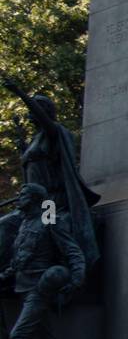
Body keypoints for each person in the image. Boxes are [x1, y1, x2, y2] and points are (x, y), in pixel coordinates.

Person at [1, 77, 99, 269]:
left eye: (36, 107)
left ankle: (54, 274)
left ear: (45, 112)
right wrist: (24, 149)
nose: (30, 112)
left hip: (51, 202)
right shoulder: (36, 139)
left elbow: (47, 125)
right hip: (32, 202)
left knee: (46, 231)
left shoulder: (55, 132)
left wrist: (20, 93)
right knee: (6, 225)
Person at [0, 183, 85, 339]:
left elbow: (72, 250)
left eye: (25, 195)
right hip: (22, 287)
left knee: (19, 337)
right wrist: (5, 275)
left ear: (37, 199)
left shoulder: (49, 221)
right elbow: (20, 260)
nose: (19, 197)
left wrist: (76, 279)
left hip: (40, 288)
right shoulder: (24, 224)